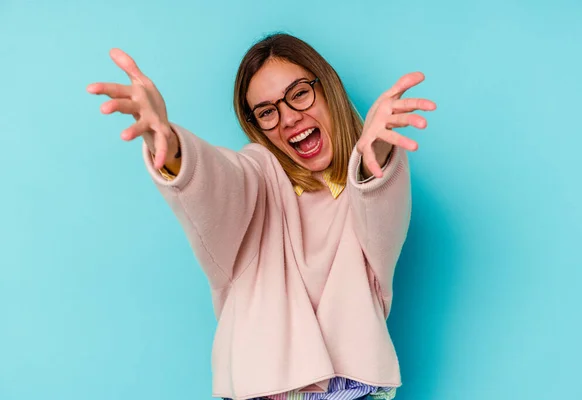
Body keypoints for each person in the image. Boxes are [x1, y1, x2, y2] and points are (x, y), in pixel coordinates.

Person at [87, 33, 436, 400]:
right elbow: (216, 183)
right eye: (268, 112)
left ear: (328, 88)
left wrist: (376, 155)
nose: (288, 118)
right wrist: (171, 147)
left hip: (357, 392)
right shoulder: (256, 177)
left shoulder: (362, 191)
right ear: (256, 125)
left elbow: (381, 215)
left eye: (300, 93)